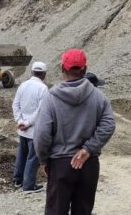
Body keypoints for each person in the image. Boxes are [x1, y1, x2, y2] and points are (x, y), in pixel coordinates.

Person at [34, 49, 116, 215]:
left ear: (62, 69)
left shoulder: (51, 98)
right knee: (83, 210)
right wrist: (88, 149)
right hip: (89, 164)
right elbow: (108, 124)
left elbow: (42, 133)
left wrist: (43, 160)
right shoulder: (98, 96)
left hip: (60, 164)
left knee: (56, 210)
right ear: (85, 70)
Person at [12, 61, 48, 193]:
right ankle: (28, 185)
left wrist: (20, 121)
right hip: (34, 131)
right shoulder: (43, 88)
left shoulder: (23, 85)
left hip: (22, 130)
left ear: (32, 72)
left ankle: (18, 180)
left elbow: (15, 105)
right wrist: (27, 123)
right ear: (43, 74)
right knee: (33, 158)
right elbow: (40, 111)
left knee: (22, 155)